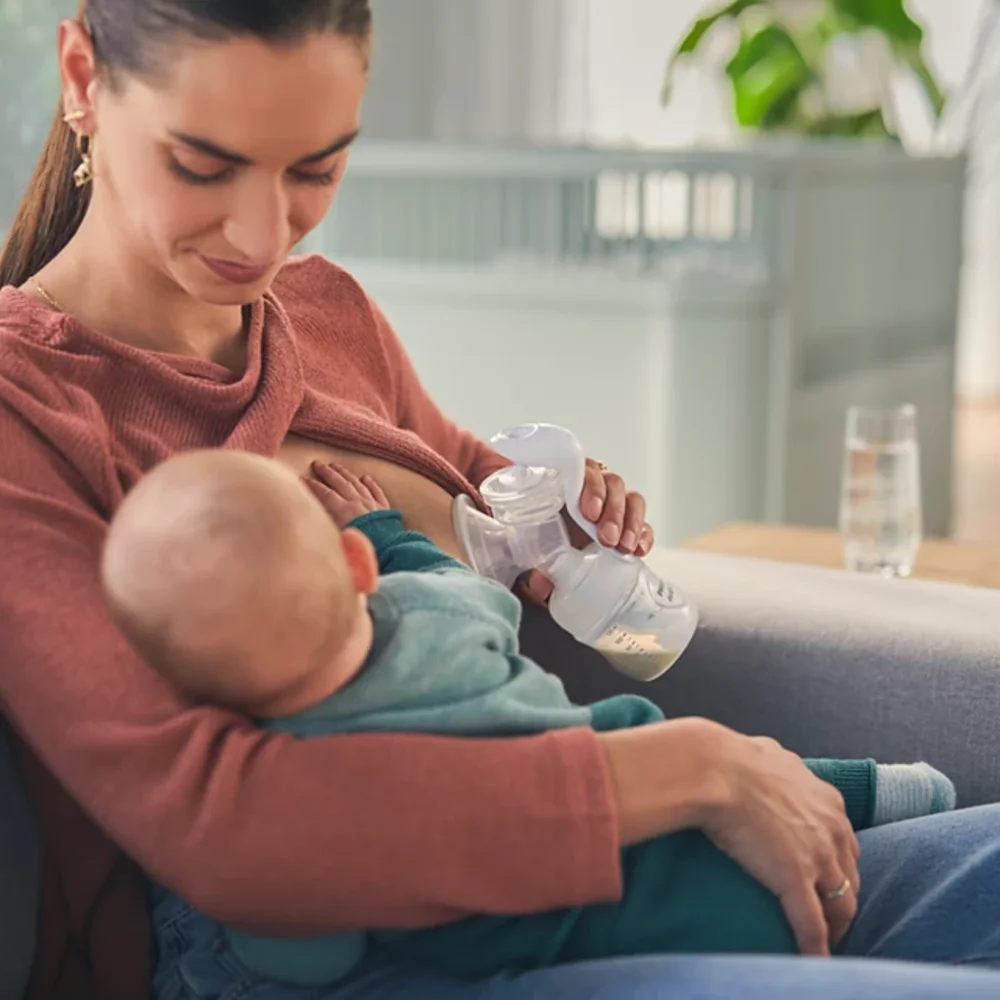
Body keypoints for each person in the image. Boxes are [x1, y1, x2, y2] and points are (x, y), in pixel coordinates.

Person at [0, 2, 997, 999]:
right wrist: (693, 768)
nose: (264, 233)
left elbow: (482, 499)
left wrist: (559, 512)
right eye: (203, 164)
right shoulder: (27, 407)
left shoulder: (327, 312)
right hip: (362, 960)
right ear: (83, 78)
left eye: (315, 167)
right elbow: (225, 830)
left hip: (596, 889)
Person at [100, 448, 957, 989]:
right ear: (357, 566)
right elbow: (452, 572)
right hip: (653, 807)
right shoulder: (442, 615)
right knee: (679, 746)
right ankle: (892, 789)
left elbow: (303, 955)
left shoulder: (293, 767)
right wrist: (380, 525)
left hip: (602, 924)